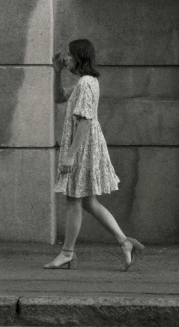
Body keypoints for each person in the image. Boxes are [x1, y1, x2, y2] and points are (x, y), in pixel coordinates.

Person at [44, 38, 144, 271]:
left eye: (68, 54)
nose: (65, 58)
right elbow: (59, 97)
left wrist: (70, 155)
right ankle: (124, 241)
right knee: (87, 201)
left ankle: (67, 253)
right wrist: (56, 72)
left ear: (79, 56)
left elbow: (85, 123)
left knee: (73, 199)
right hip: (85, 146)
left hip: (82, 146)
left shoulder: (86, 84)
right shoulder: (84, 83)